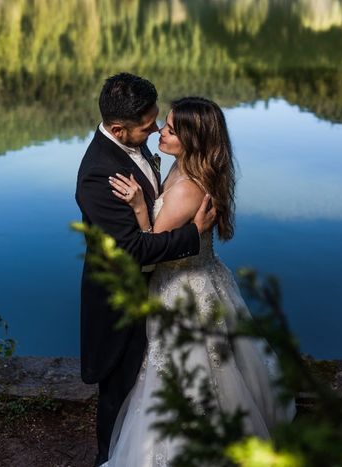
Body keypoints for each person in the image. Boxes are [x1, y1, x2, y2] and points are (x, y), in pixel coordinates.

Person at [103, 97, 296, 466]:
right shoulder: (189, 167)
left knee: (184, 373)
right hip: (205, 278)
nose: (160, 132)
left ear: (193, 140)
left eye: (171, 130)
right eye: (166, 124)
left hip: (183, 291)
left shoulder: (187, 188)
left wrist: (140, 206)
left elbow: (153, 249)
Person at [75, 74, 217, 467]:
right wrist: (193, 235)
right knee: (118, 393)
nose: (155, 131)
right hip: (122, 300)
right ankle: (108, 459)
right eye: (148, 126)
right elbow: (133, 250)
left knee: (149, 385)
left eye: (159, 122)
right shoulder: (98, 175)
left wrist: (144, 208)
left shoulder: (135, 147)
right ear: (118, 129)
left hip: (159, 290)